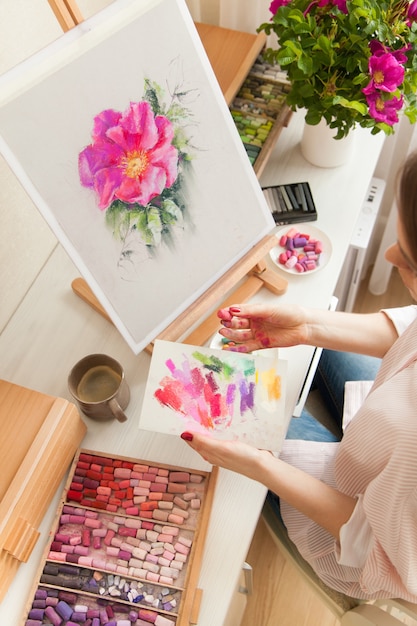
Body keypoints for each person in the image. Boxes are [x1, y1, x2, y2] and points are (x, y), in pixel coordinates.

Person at [180, 151, 417, 602]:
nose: (389, 254)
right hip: (383, 447)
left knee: (232, 410)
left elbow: (378, 548)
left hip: (359, 539)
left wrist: (258, 464)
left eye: (406, 257)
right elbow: (410, 326)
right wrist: (308, 326)